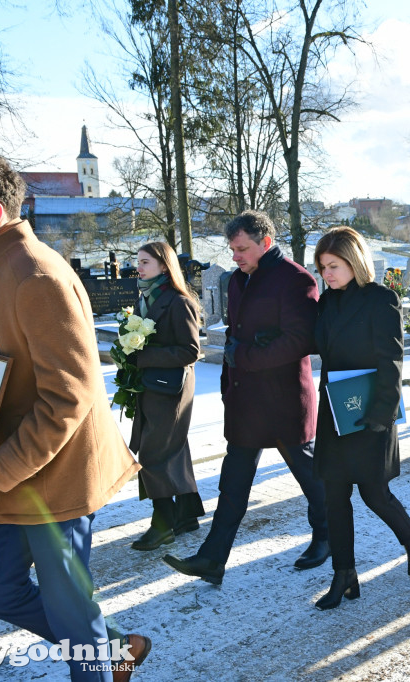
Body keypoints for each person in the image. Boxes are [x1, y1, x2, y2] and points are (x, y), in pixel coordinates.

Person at [0, 149, 147, 680]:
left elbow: (68, 396)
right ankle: (112, 649)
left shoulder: (34, 275)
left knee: (72, 616)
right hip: (15, 469)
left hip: (55, 474)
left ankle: (99, 658)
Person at [164, 210, 329, 585]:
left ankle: (327, 535)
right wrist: (230, 376)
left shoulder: (296, 280)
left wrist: (247, 355)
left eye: (241, 249)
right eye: (232, 249)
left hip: (284, 401)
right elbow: (236, 335)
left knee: (310, 477)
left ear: (265, 243)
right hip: (244, 400)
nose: (235, 256)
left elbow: (301, 340)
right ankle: (212, 558)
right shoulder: (238, 281)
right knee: (233, 482)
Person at [311, 227, 410, 610]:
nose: (327, 273)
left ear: (354, 261)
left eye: (334, 265)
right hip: (334, 410)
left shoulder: (381, 300)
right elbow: (314, 345)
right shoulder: (327, 303)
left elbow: (391, 360)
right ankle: (344, 575)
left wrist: (382, 413)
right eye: (322, 267)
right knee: (334, 496)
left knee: (374, 493)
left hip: (371, 411)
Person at [127, 242, 206, 551]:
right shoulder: (146, 297)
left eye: (145, 262)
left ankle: (162, 524)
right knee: (172, 449)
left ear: (164, 266)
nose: (139, 267)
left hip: (171, 389)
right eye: (139, 262)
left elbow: (191, 350)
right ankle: (186, 515)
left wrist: (143, 356)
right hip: (153, 386)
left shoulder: (178, 302)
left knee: (152, 453)